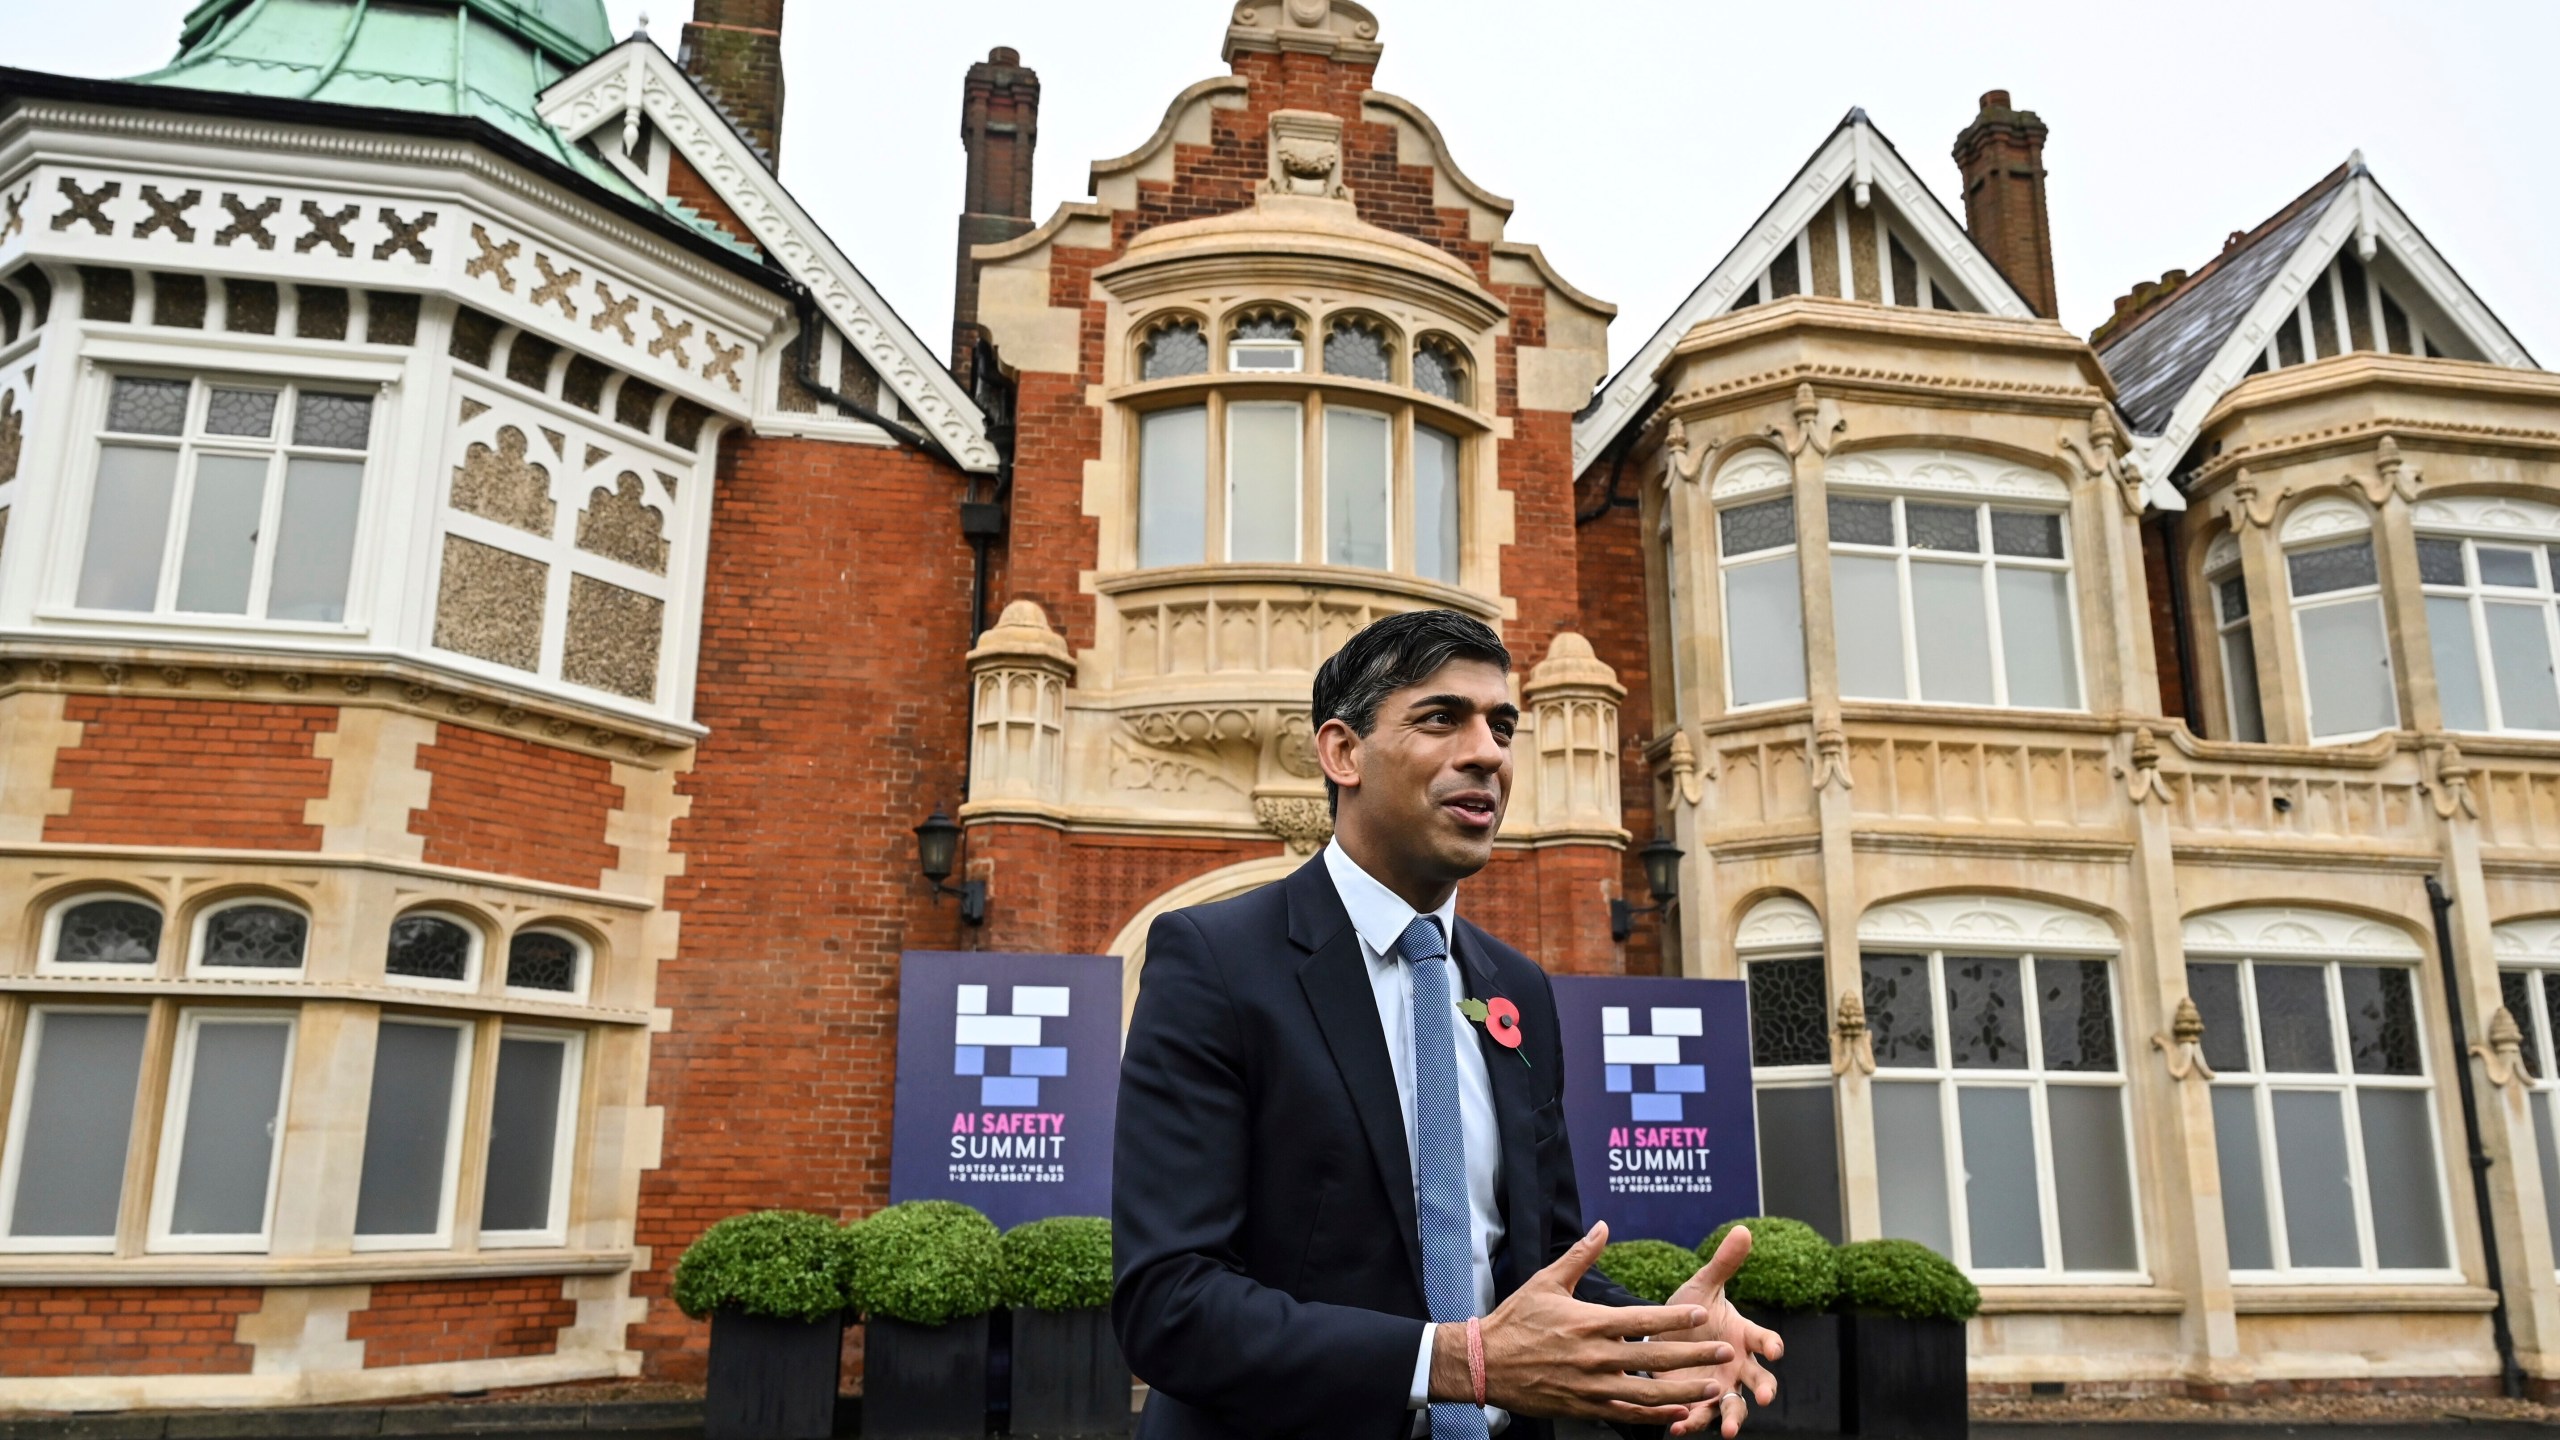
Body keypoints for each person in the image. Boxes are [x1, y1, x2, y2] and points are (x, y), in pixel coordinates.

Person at [1114, 609, 1780, 1440]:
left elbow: (1537, 1273)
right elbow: (1171, 1304)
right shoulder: (1215, 961)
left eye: (1502, 726)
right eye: (1441, 718)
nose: (1489, 752)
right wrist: (1458, 1362)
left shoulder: (1519, 991)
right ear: (1342, 752)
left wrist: (1656, 1343)